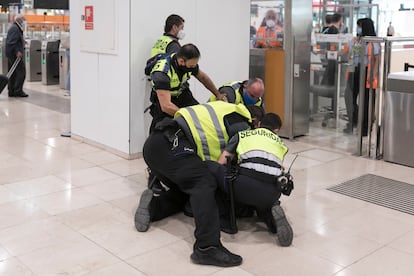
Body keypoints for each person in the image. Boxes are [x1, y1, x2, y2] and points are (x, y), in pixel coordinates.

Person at [135, 101, 253, 267]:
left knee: (187, 190)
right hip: (175, 145)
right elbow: (226, 161)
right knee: (203, 183)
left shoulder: (225, 108)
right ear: (256, 121)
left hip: (154, 145)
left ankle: (153, 207)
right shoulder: (243, 124)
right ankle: (207, 247)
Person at [207, 113, 293, 247]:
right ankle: (270, 215)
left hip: (244, 187)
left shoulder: (243, 135)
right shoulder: (280, 143)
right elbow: (279, 167)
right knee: (263, 194)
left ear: (258, 124)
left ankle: (226, 219)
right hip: (273, 192)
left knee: (212, 168)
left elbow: (222, 161)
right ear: (276, 131)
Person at [148, 43, 226, 132]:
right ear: (181, 61)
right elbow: (166, 106)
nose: (193, 68)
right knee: (159, 131)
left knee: (200, 117)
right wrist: (188, 116)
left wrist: (218, 94)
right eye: (192, 66)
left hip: (182, 94)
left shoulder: (189, 63)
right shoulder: (162, 73)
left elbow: (203, 78)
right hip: (165, 100)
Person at [343, 18, 379, 136]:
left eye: (359, 26)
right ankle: (353, 121)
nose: (358, 29)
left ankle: (365, 127)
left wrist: (373, 75)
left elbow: (376, 59)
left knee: (366, 101)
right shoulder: (356, 40)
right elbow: (346, 51)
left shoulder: (373, 42)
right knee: (349, 96)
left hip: (367, 71)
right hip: (355, 71)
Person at [5, 14, 28, 97]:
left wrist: (22, 41)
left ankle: (11, 91)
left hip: (11, 53)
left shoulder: (15, 27)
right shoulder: (15, 28)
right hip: (14, 55)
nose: (25, 21)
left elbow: (15, 39)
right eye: (23, 19)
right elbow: (11, 42)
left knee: (13, 73)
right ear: (19, 20)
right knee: (21, 72)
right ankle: (18, 91)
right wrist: (17, 51)